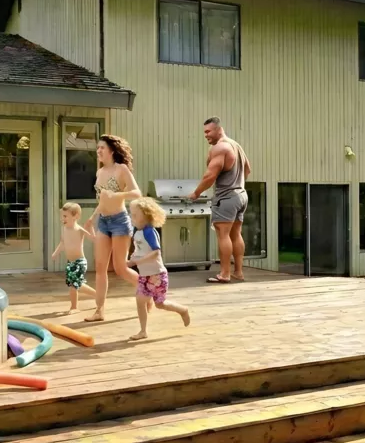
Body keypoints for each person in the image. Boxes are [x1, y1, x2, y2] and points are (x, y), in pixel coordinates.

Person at [84, 134, 141, 322]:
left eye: (102, 147)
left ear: (112, 150)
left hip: (119, 221)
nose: (99, 151)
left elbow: (136, 193)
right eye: (97, 147)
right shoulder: (100, 172)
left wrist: (117, 195)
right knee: (100, 267)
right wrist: (92, 217)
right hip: (103, 221)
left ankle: (146, 289)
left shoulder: (121, 169)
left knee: (120, 268)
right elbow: (103, 199)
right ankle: (99, 310)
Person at [189, 116, 251, 284]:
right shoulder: (236, 145)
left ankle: (224, 274)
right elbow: (248, 169)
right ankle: (238, 272)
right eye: (204, 132)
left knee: (223, 235)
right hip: (241, 195)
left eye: (208, 131)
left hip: (226, 197)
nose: (206, 135)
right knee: (236, 234)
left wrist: (196, 193)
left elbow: (210, 176)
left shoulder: (220, 148)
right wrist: (238, 185)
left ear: (218, 129)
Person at [127, 198, 190, 340]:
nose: (133, 218)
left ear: (146, 215)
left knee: (160, 304)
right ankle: (143, 331)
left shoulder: (149, 231)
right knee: (140, 300)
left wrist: (139, 261)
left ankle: (183, 310)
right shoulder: (137, 232)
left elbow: (156, 252)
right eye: (132, 214)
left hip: (157, 275)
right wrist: (131, 261)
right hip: (144, 275)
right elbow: (139, 251)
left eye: (135, 215)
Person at [51, 203, 95, 312]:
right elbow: (62, 242)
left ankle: (74, 307)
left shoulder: (79, 230)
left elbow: (93, 239)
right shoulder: (64, 229)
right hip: (70, 262)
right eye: (62, 216)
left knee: (74, 286)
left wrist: (91, 227)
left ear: (76, 216)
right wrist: (56, 253)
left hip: (79, 262)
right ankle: (98, 295)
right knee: (76, 284)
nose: (63, 219)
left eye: (65, 216)